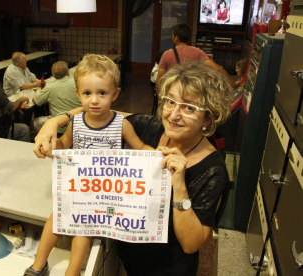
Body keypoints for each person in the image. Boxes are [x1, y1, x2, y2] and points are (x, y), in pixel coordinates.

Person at [33, 62, 232, 275]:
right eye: (170, 102)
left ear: (208, 118)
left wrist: (180, 186)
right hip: (129, 258)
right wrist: (54, 122)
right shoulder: (147, 127)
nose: (174, 115)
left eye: (189, 107)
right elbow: (98, 106)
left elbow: (191, 245)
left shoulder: (212, 170)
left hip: (166, 270)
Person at [25, 54, 154, 276]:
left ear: (115, 94)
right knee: (56, 218)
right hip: (79, 186)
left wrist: (160, 155)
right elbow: (64, 147)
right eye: (87, 93)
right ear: (78, 94)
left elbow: (140, 148)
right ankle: (38, 264)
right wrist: (49, 147)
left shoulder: (121, 124)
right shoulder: (75, 122)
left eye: (102, 93)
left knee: (84, 228)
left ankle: (72, 271)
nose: (94, 100)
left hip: (105, 193)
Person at [155, 23, 235, 91]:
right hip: (192, 92)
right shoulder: (198, 52)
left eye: (172, 35)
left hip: (174, 92)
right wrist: (233, 83)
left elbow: (159, 81)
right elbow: (217, 68)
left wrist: (160, 99)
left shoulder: (166, 54)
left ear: (176, 38)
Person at [32, 61, 82, 134]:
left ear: (53, 75)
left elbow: (35, 100)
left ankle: (46, 141)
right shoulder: (78, 83)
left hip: (59, 126)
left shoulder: (50, 87)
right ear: (67, 73)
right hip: (78, 125)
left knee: (35, 122)